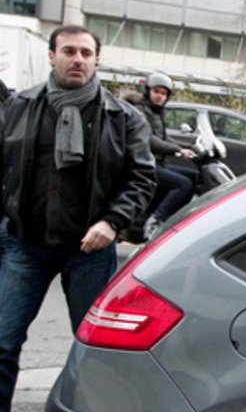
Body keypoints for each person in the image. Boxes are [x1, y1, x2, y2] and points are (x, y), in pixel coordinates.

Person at [0, 25, 156, 408]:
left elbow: (141, 178)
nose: (78, 59)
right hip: (24, 244)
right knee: (2, 341)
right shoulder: (19, 107)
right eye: (69, 51)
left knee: (95, 350)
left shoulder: (124, 118)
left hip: (88, 251)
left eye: (86, 53)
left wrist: (113, 222)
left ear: (97, 61)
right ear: (52, 56)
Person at [133, 72, 198, 239]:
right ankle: (156, 221)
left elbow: (163, 138)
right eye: (156, 91)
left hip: (158, 163)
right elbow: (150, 140)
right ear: (147, 91)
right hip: (145, 165)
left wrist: (187, 147)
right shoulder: (141, 112)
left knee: (195, 176)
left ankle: (174, 219)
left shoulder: (156, 112)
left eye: (163, 93)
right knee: (183, 184)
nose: (160, 96)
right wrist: (177, 150)